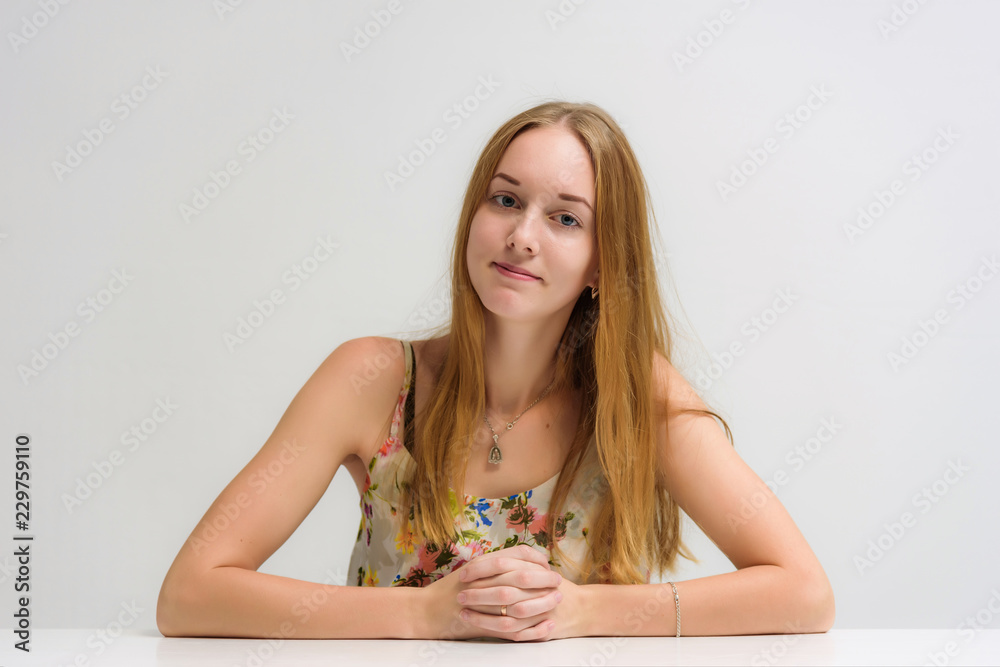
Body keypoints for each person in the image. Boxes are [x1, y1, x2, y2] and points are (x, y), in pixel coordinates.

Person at [156, 100, 835, 642]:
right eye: (506, 200)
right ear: (473, 216)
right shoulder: (370, 378)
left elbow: (804, 592)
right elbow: (189, 594)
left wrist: (583, 611)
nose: (522, 236)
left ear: (601, 262)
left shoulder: (632, 393)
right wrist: (426, 615)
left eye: (566, 218)